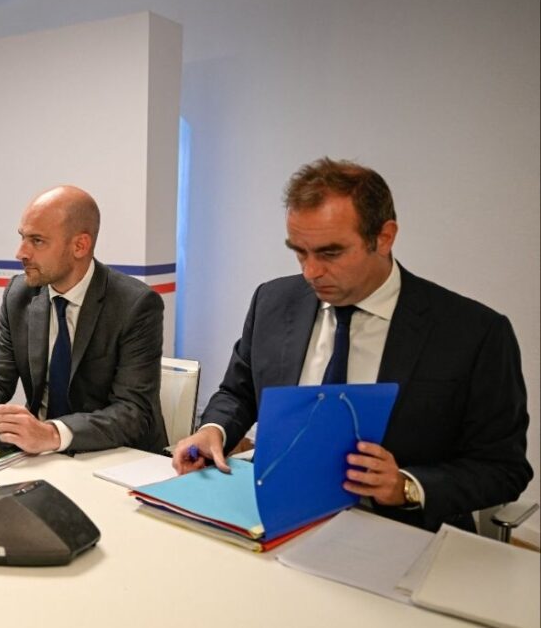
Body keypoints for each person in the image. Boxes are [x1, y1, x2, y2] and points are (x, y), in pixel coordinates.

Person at [172, 157, 532, 531]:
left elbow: (504, 468)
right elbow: (238, 392)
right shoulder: (273, 301)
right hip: (274, 519)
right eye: (299, 251)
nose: (311, 271)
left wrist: (407, 487)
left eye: (330, 253)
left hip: (404, 533)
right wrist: (213, 430)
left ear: (384, 237)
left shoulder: (473, 333)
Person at [0, 185, 167, 454]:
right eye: (22, 237)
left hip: (116, 455)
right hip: (39, 454)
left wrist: (52, 433)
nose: (21, 253)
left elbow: (132, 412)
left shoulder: (134, 305)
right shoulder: (19, 295)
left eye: (37, 241)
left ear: (80, 245)